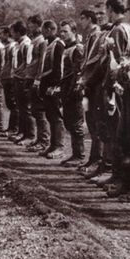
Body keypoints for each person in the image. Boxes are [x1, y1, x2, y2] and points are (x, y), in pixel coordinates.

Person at [101, 0, 130, 198]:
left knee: (117, 132)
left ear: (111, 9)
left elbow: (119, 61)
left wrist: (113, 86)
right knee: (118, 132)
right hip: (122, 84)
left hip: (118, 85)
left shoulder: (119, 29)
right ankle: (117, 175)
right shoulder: (127, 27)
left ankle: (119, 177)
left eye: (106, 9)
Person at [77, 9, 103, 173]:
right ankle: (92, 159)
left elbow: (95, 62)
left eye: (83, 19)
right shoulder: (90, 36)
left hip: (93, 85)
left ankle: (97, 159)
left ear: (89, 19)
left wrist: (86, 80)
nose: (81, 22)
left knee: (95, 122)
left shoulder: (98, 35)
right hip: (87, 85)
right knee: (90, 121)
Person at [58, 20, 86, 167]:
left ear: (73, 31)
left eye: (65, 31)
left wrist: (73, 90)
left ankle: (80, 155)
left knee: (76, 124)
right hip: (65, 89)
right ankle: (75, 154)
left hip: (73, 91)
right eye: (61, 31)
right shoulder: (66, 48)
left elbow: (78, 73)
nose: (62, 34)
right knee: (69, 122)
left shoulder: (78, 48)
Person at [38, 20, 65, 158]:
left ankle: (59, 147)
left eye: (43, 29)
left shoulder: (58, 45)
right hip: (47, 86)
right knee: (50, 116)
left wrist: (55, 86)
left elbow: (59, 68)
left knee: (56, 117)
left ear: (49, 29)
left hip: (53, 87)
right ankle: (53, 145)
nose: (41, 32)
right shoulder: (49, 44)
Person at [25, 15, 50, 150]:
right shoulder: (34, 40)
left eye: (31, 24)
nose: (29, 27)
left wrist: (38, 79)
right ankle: (38, 138)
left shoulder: (42, 41)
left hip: (35, 78)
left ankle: (44, 140)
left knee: (39, 111)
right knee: (34, 110)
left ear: (37, 26)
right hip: (29, 76)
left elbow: (42, 62)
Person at [9, 20, 36, 144]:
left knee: (26, 108)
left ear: (19, 32)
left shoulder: (26, 44)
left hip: (22, 80)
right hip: (17, 78)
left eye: (13, 32)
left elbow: (28, 63)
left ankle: (29, 135)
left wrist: (24, 79)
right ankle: (22, 132)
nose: (11, 35)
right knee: (20, 107)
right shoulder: (18, 44)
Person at [0, 27, 18, 137]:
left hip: (10, 78)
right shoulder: (6, 47)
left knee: (13, 104)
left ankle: (13, 129)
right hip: (6, 78)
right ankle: (11, 128)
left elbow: (13, 64)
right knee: (10, 104)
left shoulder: (12, 46)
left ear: (7, 34)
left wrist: (11, 77)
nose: (0, 37)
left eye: (1, 34)